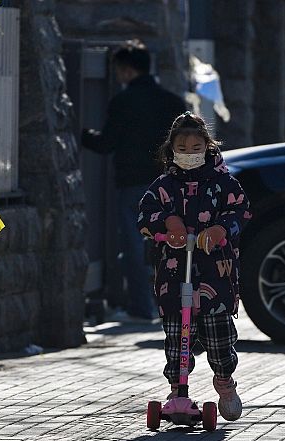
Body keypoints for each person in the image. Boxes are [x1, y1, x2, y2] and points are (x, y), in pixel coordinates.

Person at [137, 112, 251, 421]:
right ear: (171, 149)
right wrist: (167, 223)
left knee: (219, 338)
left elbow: (240, 210)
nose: (189, 154)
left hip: (215, 273)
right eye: (182, 148)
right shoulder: (163, 186)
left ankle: (225, 380)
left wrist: (220, 230)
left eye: (196, 147)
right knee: (176, 338)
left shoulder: (223, 183)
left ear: (208, 146)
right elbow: (145, 215)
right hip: (174, 273)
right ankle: (178, 388)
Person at [81, 40, 187, 320]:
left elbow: (106, 144)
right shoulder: (173, 102)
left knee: (133, 246)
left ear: (127, 71)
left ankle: (141, 307)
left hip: (133, 185)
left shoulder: (123, 101)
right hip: (169, 185)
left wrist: (80, 134)